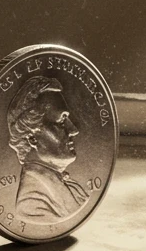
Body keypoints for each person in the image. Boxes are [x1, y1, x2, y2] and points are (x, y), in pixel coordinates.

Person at [6, 76, 88, 221]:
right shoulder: (31, 206)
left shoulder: (68, 184)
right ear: (32, 138)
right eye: (62, 121)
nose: (74, 130)